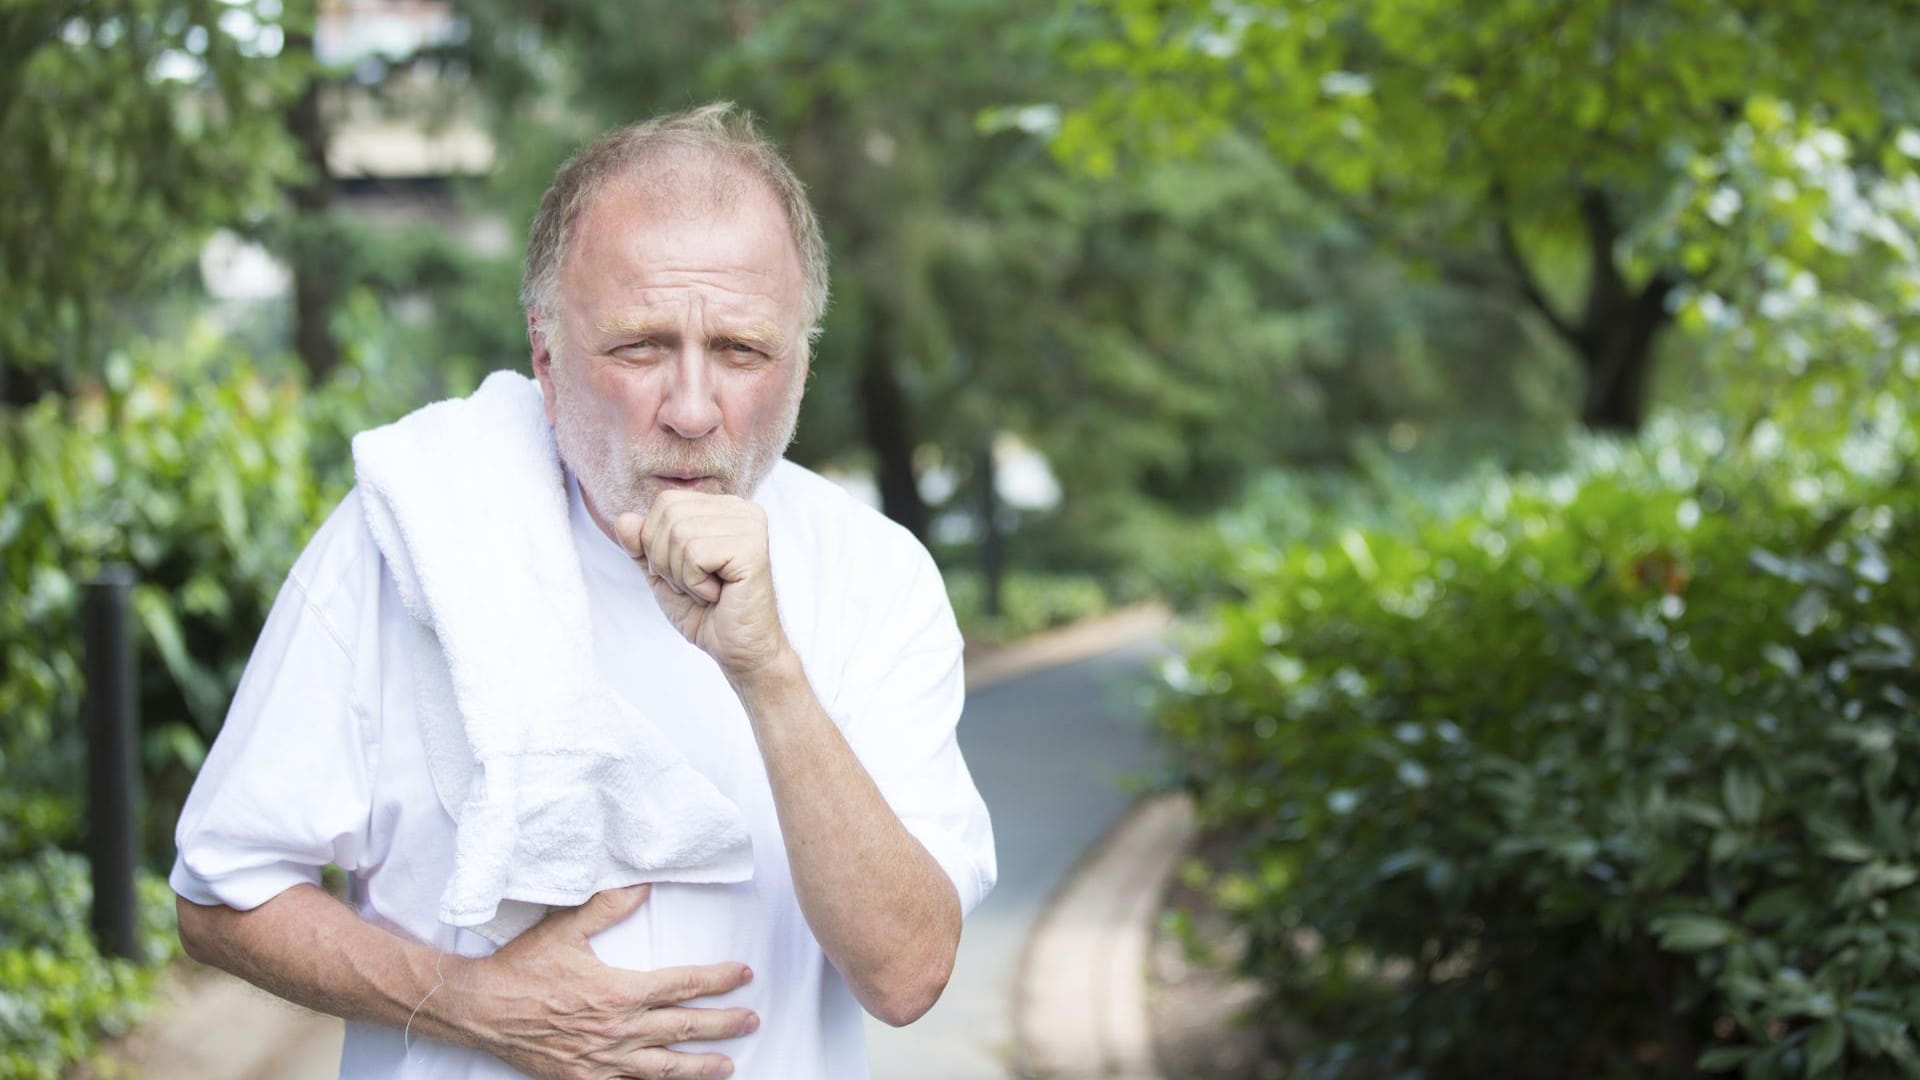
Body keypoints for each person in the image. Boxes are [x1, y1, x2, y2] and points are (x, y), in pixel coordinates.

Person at [169, 102, 996, 1080]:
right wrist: (464, 1001)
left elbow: (906, 975)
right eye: (640, 347)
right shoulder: (407, 539)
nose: (692, 410)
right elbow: (222, 892)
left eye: (741, 351)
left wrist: (768, 670)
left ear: (802, 363)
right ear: (546, 352)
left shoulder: (874, 576)